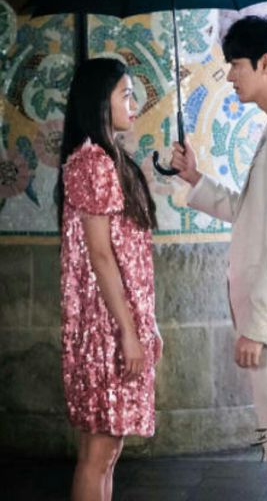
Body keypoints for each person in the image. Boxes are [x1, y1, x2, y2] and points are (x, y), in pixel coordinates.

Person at [171, 15, 267, 501]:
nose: (230, 75)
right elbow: (254, 212)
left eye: (236, 64)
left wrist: (257, 329)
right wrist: (195, 179)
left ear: (265, 64)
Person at [58, 58, 162, 501]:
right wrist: (128, 332)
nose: (133, 104)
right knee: (100, 451)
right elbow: (100, 256)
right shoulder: (94, 162)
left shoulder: (104, 159)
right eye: (125, 95)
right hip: (105, 328)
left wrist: (145, 325)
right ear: (100, 102)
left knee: (105, 450)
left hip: (112, 322)